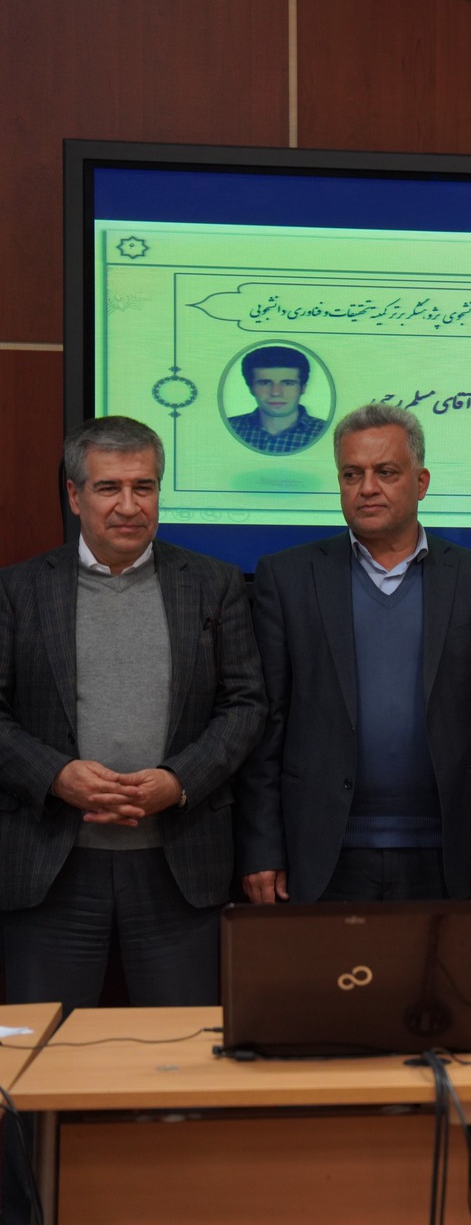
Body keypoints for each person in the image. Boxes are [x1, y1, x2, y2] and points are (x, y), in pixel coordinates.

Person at [0, 415, 264, 1008]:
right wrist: (55, 776)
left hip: (180, 864)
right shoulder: (17, 591)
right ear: (75, 496)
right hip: (52, 866)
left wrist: (179, 781)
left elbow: (246, 703)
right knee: (49, 1052)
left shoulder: (213, 585)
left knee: (181, 1053)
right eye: (108, 488)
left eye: (143, 487)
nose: (128, 505)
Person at [237, 404, 471, 907]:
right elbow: (264, 729)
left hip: (446, 853)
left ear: (421, 482)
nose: (367, 488)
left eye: (386, 472)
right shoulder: (287, 578)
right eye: (352, 474)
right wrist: (262, 848)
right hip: (320, 852)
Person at [226, 343, 329, 455]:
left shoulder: (327, 433)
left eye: (287, 383)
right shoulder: (229, 427)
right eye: (265, 383)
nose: (276, 393)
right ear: (251, 388)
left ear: (303, 388)